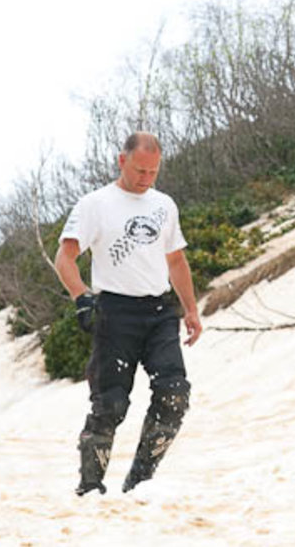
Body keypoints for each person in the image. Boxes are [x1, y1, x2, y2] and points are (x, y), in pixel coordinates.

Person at [55, 131, 203, 495]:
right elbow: (65, 258)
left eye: (153, 172)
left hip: (158, 311)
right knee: (111, 405)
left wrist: (191, 309)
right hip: (115, 312)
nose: (145, 178)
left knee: (174, 393)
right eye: (140, 170)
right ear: (122, 161)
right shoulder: (95, 204)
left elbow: (176, 259)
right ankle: (90, 487)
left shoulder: (164, 205)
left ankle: (139, 482)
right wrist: (81, 297)